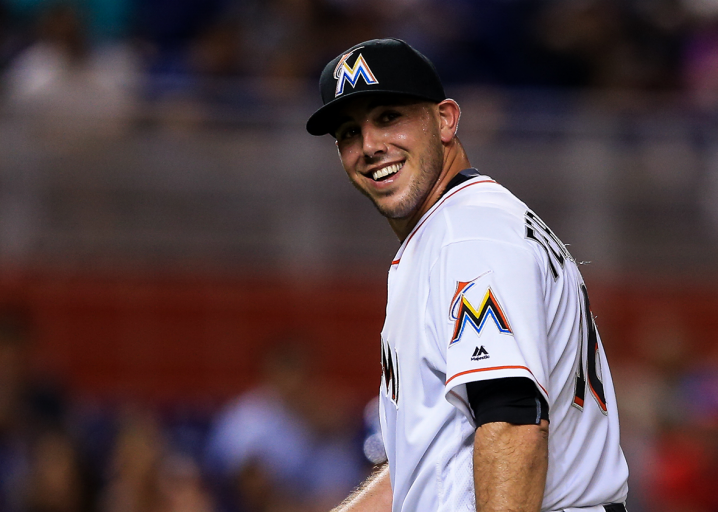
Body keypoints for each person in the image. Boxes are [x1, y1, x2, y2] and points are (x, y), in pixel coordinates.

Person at [305, 38, 629, 512]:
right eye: (350, 133)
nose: (370, 146)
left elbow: (512, 421)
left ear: (445, 120)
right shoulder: (457, 229)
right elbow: (427, 464)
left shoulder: (469, 233)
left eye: (389, 117)